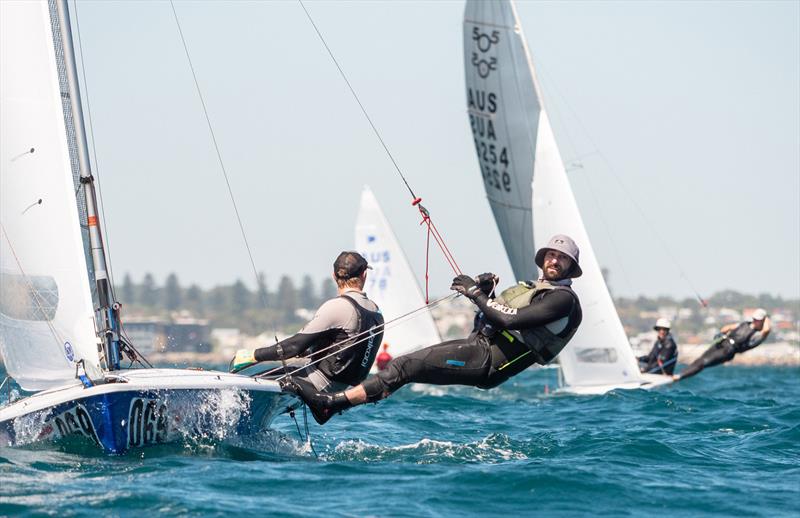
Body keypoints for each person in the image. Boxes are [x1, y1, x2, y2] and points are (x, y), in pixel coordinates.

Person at [284, 234, 584, 425]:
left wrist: (475, 294)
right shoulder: (537, 288)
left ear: (571, 268)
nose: (555, 260)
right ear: (543, 258)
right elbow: (497, 316)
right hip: (482, 349)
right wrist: (486, 294)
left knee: (404, 365)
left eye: (562, 259)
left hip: (491, 362)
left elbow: (510, 320)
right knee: (405, 367)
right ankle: (330, 405)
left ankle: (330, 405)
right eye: (551, 255)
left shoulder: (562, 300)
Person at [230, 251, 384, 393]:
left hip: (318, 383)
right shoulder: (376, 311)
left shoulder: (339, 307)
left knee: (246, 386)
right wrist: (311, 350)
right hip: (347, 390)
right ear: (364, 275)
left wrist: (253, 355)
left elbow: (293, 347)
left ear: (334, 276)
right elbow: (348, 346)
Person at [673, 309, 771, 382]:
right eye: (754, 318)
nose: (755, 321)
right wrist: (721, 333)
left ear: (763, 321)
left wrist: (767, 318)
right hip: (722, 343)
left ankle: (679, 377)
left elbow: (766, 330)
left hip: (728, 351)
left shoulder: (759, 335)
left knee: (704, 363)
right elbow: (728, 327)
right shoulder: (745, 324)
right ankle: (677, 375)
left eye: (758, 320)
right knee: (699, 360)